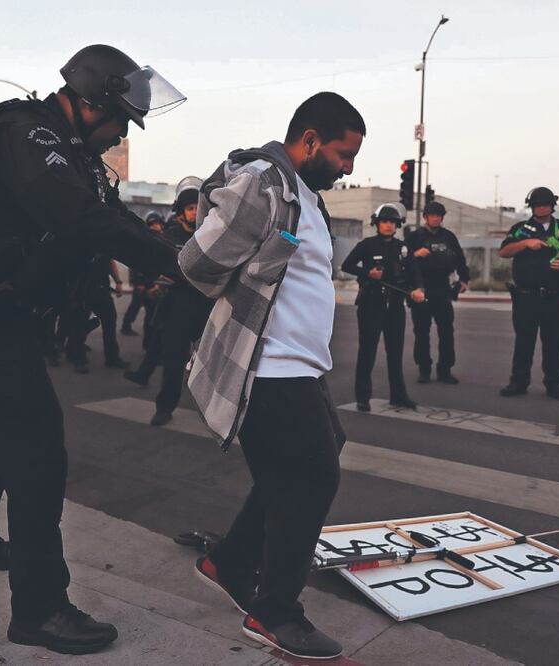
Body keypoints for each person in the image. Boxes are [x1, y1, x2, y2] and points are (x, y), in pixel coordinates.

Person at [0, 44, 184, 655]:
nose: (122, 133)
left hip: (1, 310)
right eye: (120, 119)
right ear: (90, 102)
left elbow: (114, 217)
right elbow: (84, 221)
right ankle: (39, 610)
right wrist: (178, 265)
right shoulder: (28, 136)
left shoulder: (74, 154)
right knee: (37, 451)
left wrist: (173, 257)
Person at [180, 92, 365, 660]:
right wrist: (253, 268)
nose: (348, 167)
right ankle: (275, 610)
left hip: (299, 364)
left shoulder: (305, 195)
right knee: (312, 478)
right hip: (267, 365)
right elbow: (197, 263)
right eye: (342, 154)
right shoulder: (263, 183)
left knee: (309, 461)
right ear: (309, 140)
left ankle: (230, 561)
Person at [498, 186, 559, 401]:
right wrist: (525, 243)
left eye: (545, 204)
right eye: (537, 205)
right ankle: (518, 382)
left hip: (555, 297)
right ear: (531, 207)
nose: (541, 208)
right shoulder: (521, 229)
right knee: (524, 342)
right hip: (526, 296)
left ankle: (554, 384)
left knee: (555, 343)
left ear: (552, 206)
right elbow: (504, 251)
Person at [136, 177, 213, 426]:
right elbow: (154, 268)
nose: (195, 212)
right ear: (180, 212)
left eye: (197, 207)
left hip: (205, 307)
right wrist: (153, 287)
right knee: (173, 363)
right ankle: (164, 408)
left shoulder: (209, 236)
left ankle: (213, 412)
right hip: (175, 309)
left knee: (210, 365)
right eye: (190, 208)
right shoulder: (168, 237)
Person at [341, 203, 424, 411]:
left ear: (398, 226)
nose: (389, 225)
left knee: (395, 353)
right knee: (367, 351)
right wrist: (368, 273)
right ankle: (363, 397)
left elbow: (414, 272)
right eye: (385, 221)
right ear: (377, 224)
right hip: (371, 304)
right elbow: (347, 265)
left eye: (393, 222)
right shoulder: (367, 245)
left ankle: (398, 396)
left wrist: (418, 289)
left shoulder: (403, 248)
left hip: (395, 305)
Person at [404, 200, 468, 385]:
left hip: (443, 289)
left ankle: (445, 370)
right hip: (421, 289)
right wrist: (415, 254)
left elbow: (460, 259)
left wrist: (464, 279)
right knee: (422, 332)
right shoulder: (414, 237)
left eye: (439, 216)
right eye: (432, 215)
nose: (435, 219)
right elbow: (402, 260)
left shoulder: (449, 237)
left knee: (447, 332)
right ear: (425, 217)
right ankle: (424, 369)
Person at [61, 254, 128, 373]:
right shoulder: (79, 249)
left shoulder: (105, 247)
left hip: (102, 290)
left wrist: (118, 281)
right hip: (82, 292)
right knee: (80, 326)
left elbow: (110, 261)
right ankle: (78, 359)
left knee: (110, 324)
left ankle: (112, 358)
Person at [119, 211, 165, 336]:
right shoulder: (145, 239)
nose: (155, 226)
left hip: (153, 281)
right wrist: (138, 281)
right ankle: (126, 325)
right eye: (152, 224)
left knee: (152, 310)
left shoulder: (162, 239)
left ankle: (149, 334)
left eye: (157, 223)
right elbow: (137, 262)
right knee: (135, 305)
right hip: (142, 281)